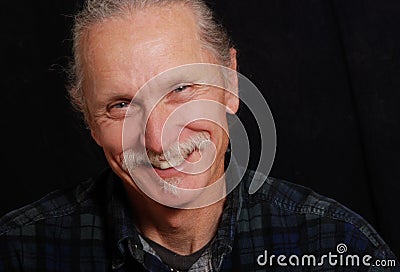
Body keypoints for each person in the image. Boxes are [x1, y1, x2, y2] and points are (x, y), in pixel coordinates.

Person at [0, 0, 398, 271]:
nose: (157, 140)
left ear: (230, 83)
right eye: (121, 106)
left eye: (181, 89)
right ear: (89, 118)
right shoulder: (19, 252)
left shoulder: (338, 244)